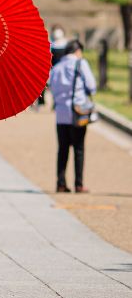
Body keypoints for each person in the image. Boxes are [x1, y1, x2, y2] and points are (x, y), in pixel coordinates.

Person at [49, 39, 96, 193]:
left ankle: (61, 183)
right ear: (77, 51)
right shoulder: (80, 63)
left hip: (61, 114)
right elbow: (91, 86)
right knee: (79, 149)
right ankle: (79, 184)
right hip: (78, 112)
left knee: (62, 149)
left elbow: (52, 88)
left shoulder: (56, 67)